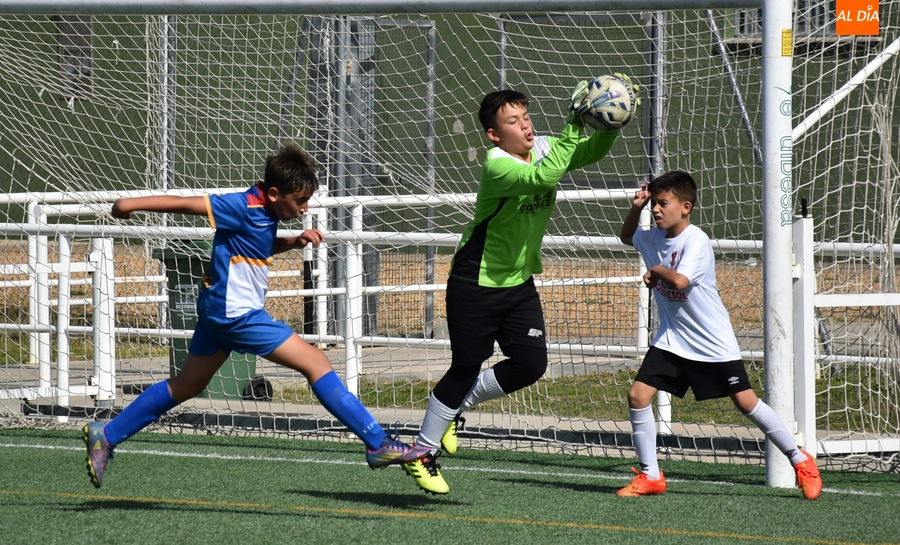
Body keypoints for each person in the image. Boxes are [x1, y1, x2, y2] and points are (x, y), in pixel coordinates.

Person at [82, 143, 428, 489]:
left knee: (187, 385)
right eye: (300, 201)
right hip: (237, 315)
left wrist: (292, 242)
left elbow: (254, 241)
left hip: (220, 312)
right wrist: (129, 205)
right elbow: (186, 203)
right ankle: (378, 444)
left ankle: (107, 434)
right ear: (275, 193)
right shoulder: (241, 205)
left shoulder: (266, 211)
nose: (305, 207)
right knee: (317, 363)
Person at [401, 81, 629, 494]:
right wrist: (574, 126)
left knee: (530, 364)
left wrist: (608, 121)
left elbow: (587, 152)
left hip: (519, 282)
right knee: (466, 366)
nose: (525, 126)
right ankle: (421, 451)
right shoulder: (497, 165)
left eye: (526, 117)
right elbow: (544, 178)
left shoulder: (543, 145)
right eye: (513, 121)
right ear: (494, 134)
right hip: (476, 281)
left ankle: (456, 408)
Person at [616, 170, 822, 499]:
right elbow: (628, 237)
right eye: (653, 203)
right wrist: (636, 207)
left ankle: (801, 461)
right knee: (638, 395)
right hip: (673, 339)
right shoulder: (654, 236)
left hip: (712, 342)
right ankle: (651, 475)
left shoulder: (695, 240)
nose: (656, 209)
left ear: (685, 207)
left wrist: (655, 270)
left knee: (745, 402)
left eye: (662, 203)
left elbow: (680, 281)